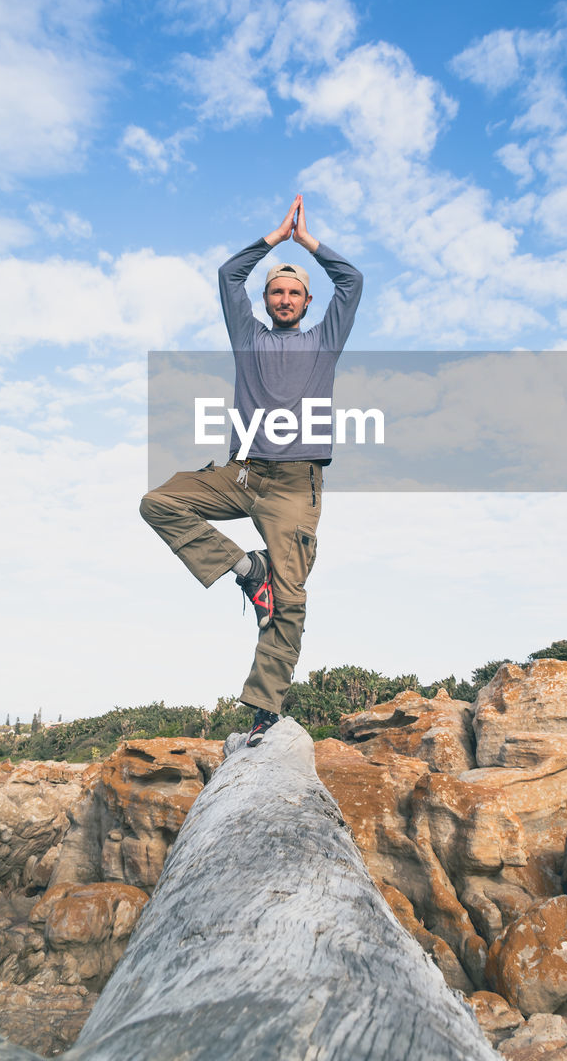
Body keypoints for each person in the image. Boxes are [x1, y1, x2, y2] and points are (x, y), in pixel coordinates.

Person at [140, 195, 363, 745]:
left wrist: (306, 242)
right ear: (265, 299)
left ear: (308, 302)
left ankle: (264, 708)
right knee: (158, 501)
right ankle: (247, 571)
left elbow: (352, 280)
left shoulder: (324, 343)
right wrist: (274, 238)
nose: (285, 298)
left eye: (294, 292)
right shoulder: (248, 339)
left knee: (290, 601)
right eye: (276, 290)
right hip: (243, 475)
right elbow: (227, 274)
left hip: (295, 486)